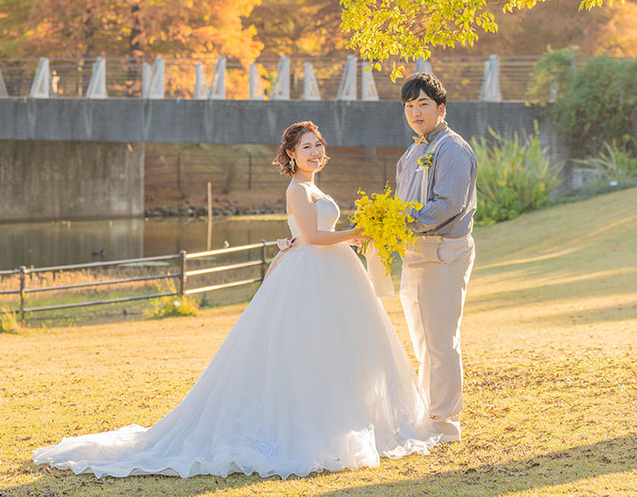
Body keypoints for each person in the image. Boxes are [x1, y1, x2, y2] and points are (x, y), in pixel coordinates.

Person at [32, 121, 441, 478]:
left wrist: (356, 236)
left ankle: (341, 418)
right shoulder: (298, 189)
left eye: (318, 145)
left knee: (333, 347)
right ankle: (306, 427)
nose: (316, 152)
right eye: (307, 147)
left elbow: (318, 237)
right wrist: (355, 233)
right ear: (291, 154)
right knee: (305, 347)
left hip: (332, 272)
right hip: (309, 273)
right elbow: (313, 237)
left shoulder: (314, 186)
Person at [395, 72, 477, 443]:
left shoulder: (452, 148)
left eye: (423, 104)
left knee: (441, 341)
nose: (416, 112)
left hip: (444, 252)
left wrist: (402, 222)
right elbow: (401, 203)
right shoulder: (412, 152)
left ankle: (445, 423)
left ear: (441, 109)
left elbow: (448, 204)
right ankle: (430, 412)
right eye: (409, 105)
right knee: (422, 340)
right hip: (414, 253)